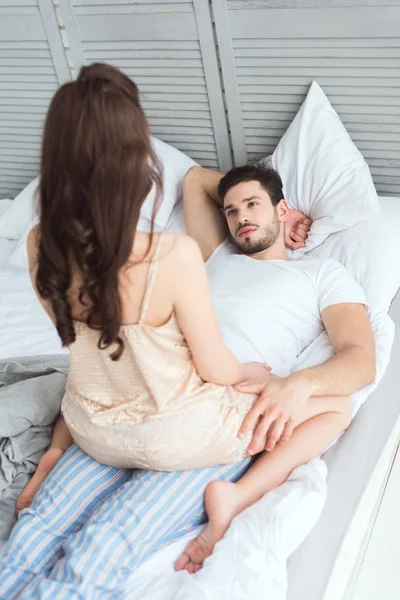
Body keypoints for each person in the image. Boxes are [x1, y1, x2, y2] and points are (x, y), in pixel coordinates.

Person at [0, 63, 375, 599]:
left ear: (284, 208)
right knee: (41, 526)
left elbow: (361, 360)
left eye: (253, 206)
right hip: (167, 390)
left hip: (201, 401)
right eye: (231, 209)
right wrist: (239, 194)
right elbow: (194, 180)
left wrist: (298, 384)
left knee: (103, 539)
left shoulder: (320, 273)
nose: (240, 216)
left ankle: (233, 493)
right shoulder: (208, 253)